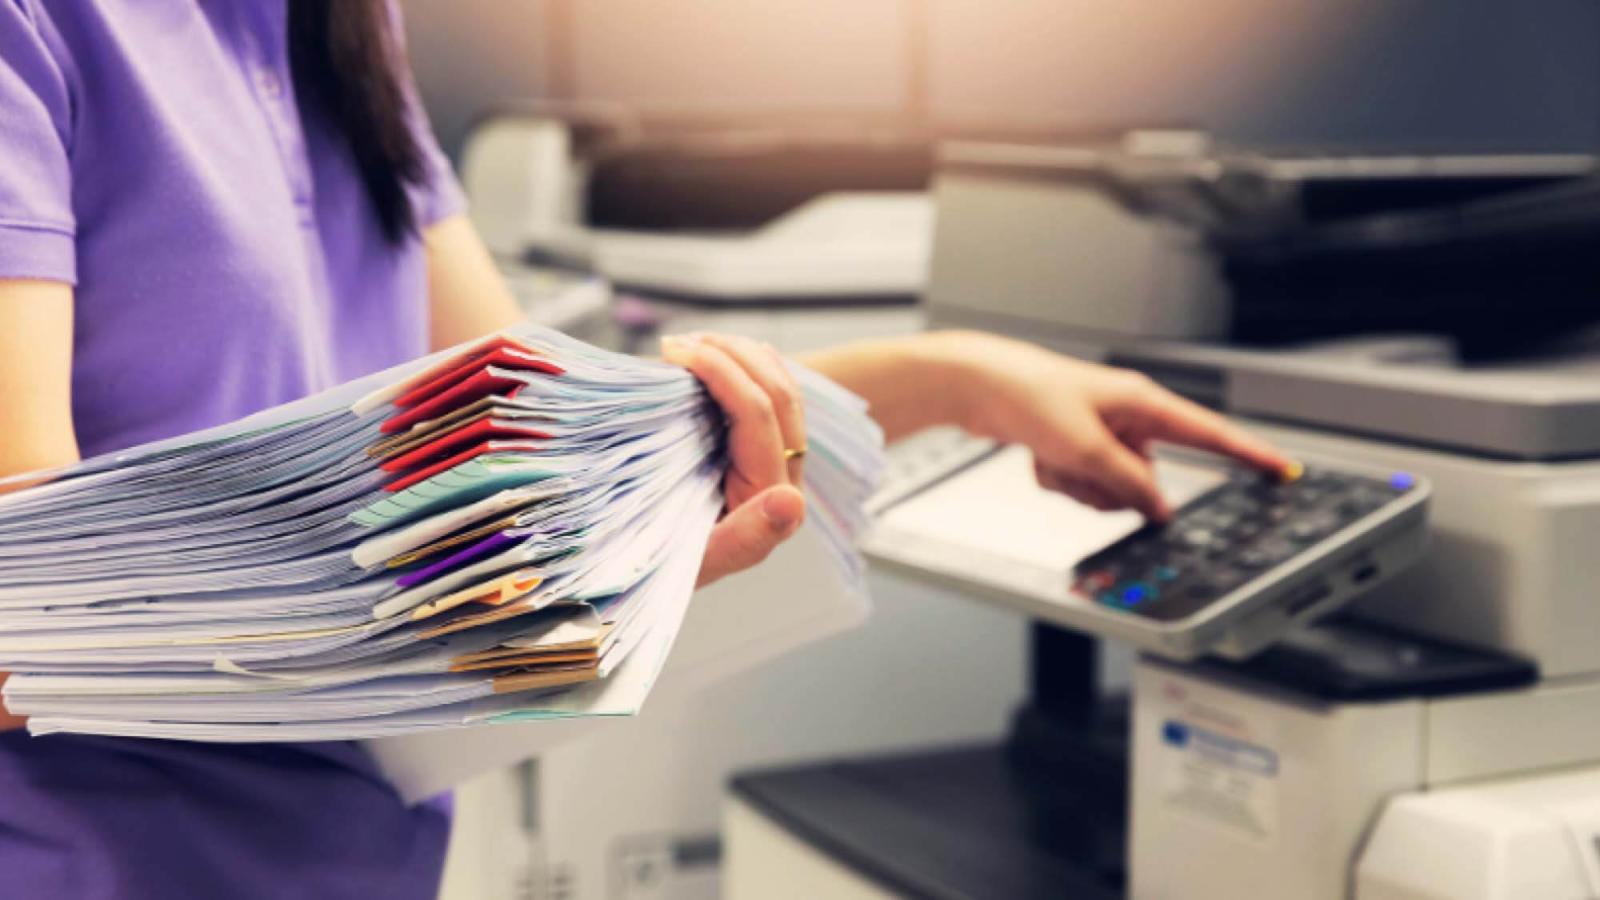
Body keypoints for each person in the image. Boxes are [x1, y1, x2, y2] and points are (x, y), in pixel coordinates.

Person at [0, 2, 1291, 897]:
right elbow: (28, 622)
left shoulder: (344, 28)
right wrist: (509, 611)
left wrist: (952, 376)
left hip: (359, 858)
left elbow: (540, 465)